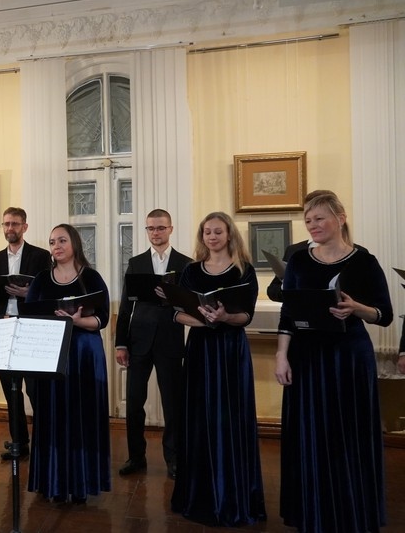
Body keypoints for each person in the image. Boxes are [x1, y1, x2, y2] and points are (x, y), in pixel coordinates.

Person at [274, 192, 392, 533]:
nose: (312, 225)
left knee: (348, 436)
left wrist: (357, 308)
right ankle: (312, 511)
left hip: (349, 359)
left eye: (319, 218)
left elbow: (383, 314)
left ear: (340, 218)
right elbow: (288, 314)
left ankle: (351, 511)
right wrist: (281, 355)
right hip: (306, 359)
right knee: (310, 435)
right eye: (308, 220)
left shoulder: (364, 261)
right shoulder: (299, 261)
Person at [169, 211, 266, 526]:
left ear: (229, 235)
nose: (212, 237)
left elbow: (246, 316)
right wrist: (205, 321)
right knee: (199, 418)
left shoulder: (244, 271)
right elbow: (176, 313)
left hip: (230, 350)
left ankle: (234, 496)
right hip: (200, 349)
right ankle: (198, 495)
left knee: (230, 418)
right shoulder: (191, 271)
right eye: (207, 232)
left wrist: (224, 318)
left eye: (218, 232)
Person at [24, 224, 111, 503]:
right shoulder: (41, 279)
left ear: (74, 243)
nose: (56, 246)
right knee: (52, 415)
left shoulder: (92, 277)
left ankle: (82, 482)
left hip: (85, 354)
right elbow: (30, 313)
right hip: (52, 353)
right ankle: (54, 481)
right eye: (52, 242)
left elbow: (103, 318)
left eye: (62, 240)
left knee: (83, 416)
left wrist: (77, 322)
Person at [114, 209, 191, 480]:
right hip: (138, 341)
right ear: (146, 231)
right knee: (134, 402)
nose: (155, 233)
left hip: (170, 339)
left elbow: (190, 304)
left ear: (170, 229)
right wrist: (120, 344)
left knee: (173, 404)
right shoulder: (136, 263)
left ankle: (174, 459)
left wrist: (172, 298)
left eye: (160, 228)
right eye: (151, 228)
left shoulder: (185, 263)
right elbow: (126, 307)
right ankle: (136, 457)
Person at [0, 207, 51, 460]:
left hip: (30, 329)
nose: (10, 228)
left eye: (15, 224)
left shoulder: (41, 256)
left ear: (25, 227)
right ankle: (19, 442)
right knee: (11, 390)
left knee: (35, 389)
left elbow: (48, 293)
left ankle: (44, 443)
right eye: (6, 224)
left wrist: (27, 293)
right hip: (3, 329)